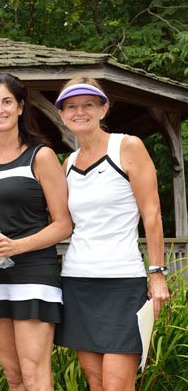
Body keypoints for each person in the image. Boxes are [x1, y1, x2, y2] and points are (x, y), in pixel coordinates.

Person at [52, 78, 171, 390]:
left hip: (122, 281)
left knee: (118, 384)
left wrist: (157, 273)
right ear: (62, 115)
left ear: (103, 109)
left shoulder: (127, 146)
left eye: (88, 104)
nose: (80, 111)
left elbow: (152, 213)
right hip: (78, 281)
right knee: (96, 382)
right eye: (72, 106)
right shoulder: (68, 165)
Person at [0, 73, 72, 391]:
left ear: (21, 107)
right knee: (13, 376)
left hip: (33, 273)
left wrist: (16, 247)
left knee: (35, 375)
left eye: (7, 102)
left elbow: (63, 223)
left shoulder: (41, 156)